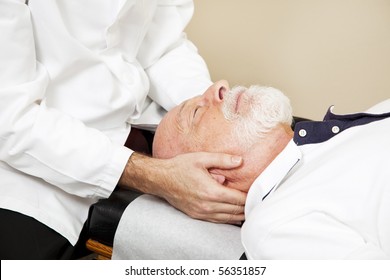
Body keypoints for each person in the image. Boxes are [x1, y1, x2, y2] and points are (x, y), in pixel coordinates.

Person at [0, 0, 246, 260]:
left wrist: (212, 113)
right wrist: (154, 175)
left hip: (130, 135)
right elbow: (10, 117)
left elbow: (161, 45)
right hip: (27, 175)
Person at [153, 80, 390, 259]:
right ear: (209, 179)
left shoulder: (346, 134)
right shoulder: (276, 226)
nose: (220, 85)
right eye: (195, 112)